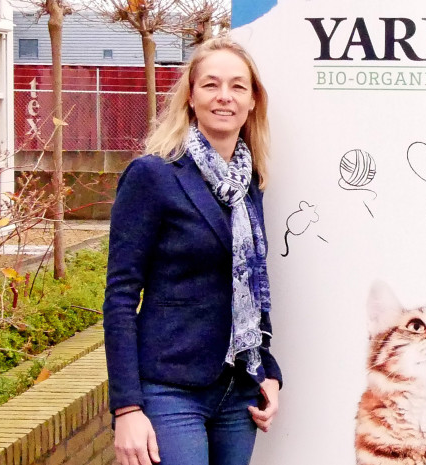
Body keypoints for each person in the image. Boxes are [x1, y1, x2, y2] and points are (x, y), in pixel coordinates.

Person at [103, 37, 282, 465]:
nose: (225, 96)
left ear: (253, 100)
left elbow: (251, 281)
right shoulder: (153, 174)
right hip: (170, 389)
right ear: (190, 97)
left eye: (238, 86)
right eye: (211, 85)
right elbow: (121, 295)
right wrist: (127, 408)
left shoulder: (249, 182)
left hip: (239, 388)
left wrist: (268, 369)